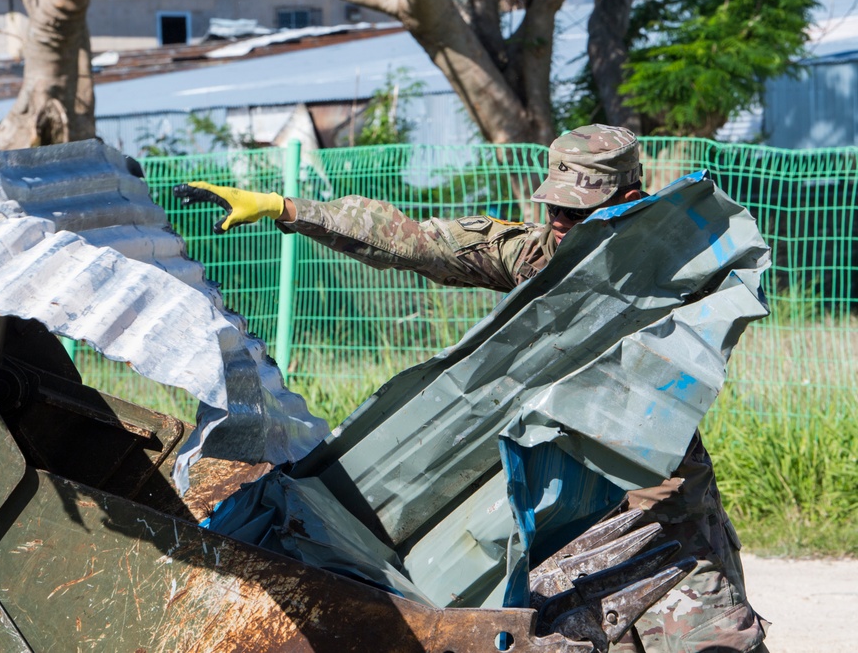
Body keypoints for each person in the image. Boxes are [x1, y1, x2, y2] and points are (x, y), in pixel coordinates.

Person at [176, 124, 769, 652]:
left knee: (705, 628)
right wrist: (288, 207)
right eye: (555, 210)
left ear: (629, 201)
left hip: (649, 492)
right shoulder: (537, 256)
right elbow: (414, 239)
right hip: (550, 491)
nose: (560, 225)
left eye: (578, 213)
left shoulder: (679, 276)